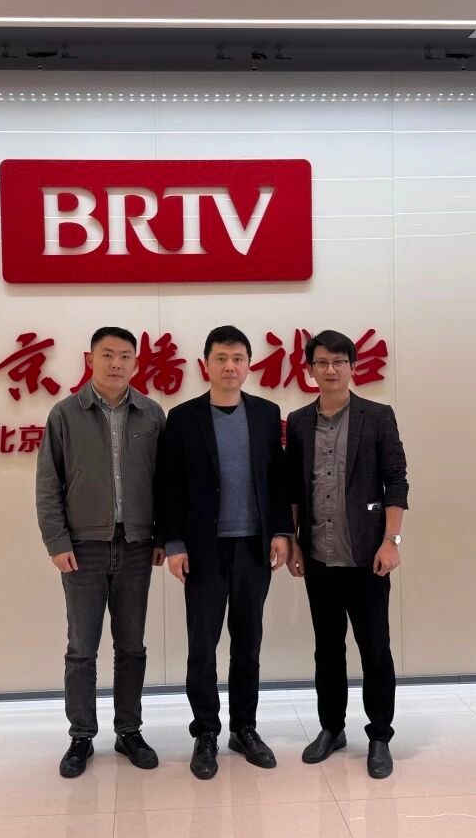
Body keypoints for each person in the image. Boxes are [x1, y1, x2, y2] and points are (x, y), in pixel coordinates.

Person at [155, 325, 294, 780]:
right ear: (206, 365)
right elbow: (169, 486)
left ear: (248, 365)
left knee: (248, 645)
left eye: (237, 358)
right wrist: (174, 544)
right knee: (203, 647)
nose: (229, 366)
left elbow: (277, 480)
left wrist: (281, 531)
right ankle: (206, 732)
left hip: (254, 547)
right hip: (203, 550)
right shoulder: (183, 418)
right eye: (221, 358)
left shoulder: (267, 414)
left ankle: (244, 728)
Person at [35, 326, 167, 778]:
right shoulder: (65, 414)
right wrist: (56, 542)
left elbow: (165, 483)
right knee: (81, 649)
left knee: (131, 646)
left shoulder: (151, 414)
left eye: (125, 355)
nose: (116, 363)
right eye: (107, 354)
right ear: (90, 359)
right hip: (82, 549)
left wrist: (161, 537)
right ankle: (81, 736)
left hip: (136, 547)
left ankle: (129, 730)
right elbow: (48, 484)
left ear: (136, 362)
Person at [284, 329, 408, 779]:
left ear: (353, 367)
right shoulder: (299, 421)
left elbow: (396, 480)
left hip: (367, 556)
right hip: (319, 556)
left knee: (375, 649)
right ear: (310, 369)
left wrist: (391, 541)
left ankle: (379, 736)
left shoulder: (377, 416)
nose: (331, 369)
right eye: (322, 362)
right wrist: (294, 541)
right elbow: (293, 488)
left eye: (339, 361)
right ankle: (332, 729)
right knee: (327, 650)